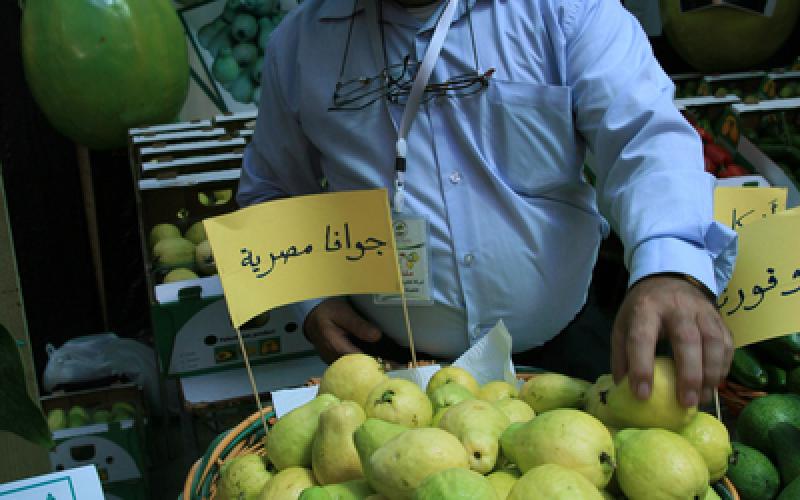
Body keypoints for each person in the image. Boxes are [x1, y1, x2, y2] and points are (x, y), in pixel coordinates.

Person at [237, 0, 738, 408]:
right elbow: (271, 190)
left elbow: (643, 136)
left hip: (564, 355)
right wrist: (311, 299)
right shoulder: (301, 43)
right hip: (395, 372)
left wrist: (669, 266)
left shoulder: (563, 10)